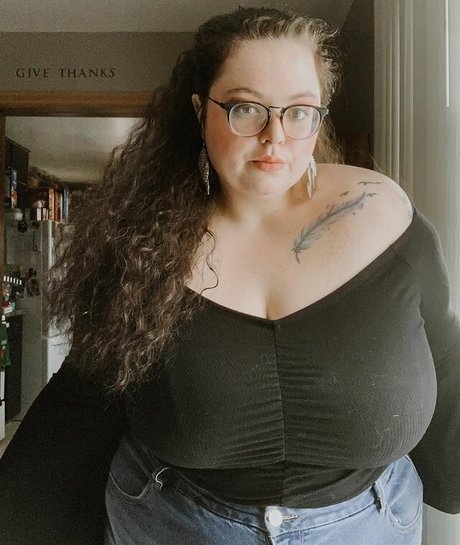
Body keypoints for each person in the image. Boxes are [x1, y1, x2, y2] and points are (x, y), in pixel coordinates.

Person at [1, 6, 459, 545]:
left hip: (372, 527)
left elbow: (444, 357)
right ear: (201, 111)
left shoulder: (385, 220)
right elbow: (85, 395)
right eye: (246, 108)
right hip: (175, 526)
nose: (275, 136)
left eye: (299, 111)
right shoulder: (143, 244)